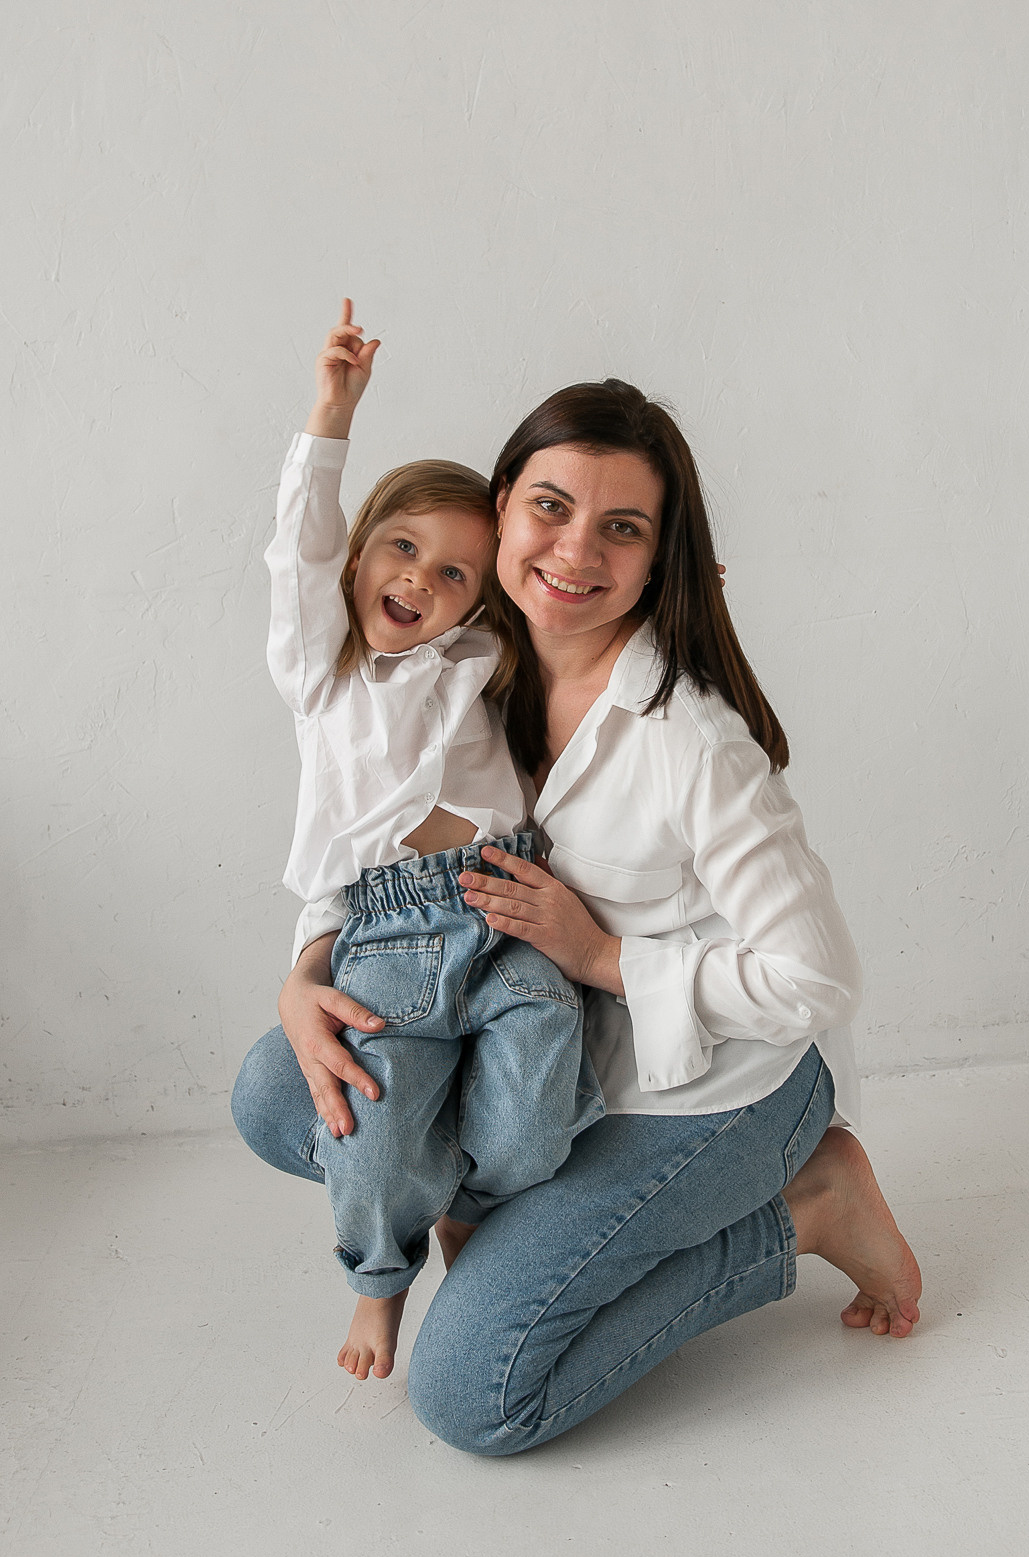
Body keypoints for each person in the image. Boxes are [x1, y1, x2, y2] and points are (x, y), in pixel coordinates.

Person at [233, 364, 922, 1455]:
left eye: (623, 528)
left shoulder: (689, 740)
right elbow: (366, 819)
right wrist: (308, 969)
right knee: (279, 1086)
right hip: (537, 1045)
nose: (574, 550)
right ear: (501, 504)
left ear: (658, 560)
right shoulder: (470, 662)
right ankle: (488, 1191)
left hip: (712, 1088)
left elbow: (816, 980)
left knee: (474, 1399)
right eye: (550, 507)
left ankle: (812, 1203)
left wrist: (604, 956)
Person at [256, 302, 602, 1383]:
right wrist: (330, 418)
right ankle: (380, 1278)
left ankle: (469, 1209)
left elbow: (573, 606)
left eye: (454, 572)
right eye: (402, 550)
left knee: (542, 1086)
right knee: (368, 1126)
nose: (421, 581)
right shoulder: (327, 673)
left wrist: (676, 609)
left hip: (509, 903)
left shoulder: (480, 660)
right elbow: (296, 556)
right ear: (361, 556)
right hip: (393, 933)